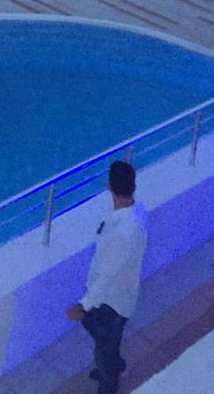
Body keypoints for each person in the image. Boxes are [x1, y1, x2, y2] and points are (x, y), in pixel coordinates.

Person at [67, 160, 147, 394]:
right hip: (119, 296)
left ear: (110, 186)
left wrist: (83, 305)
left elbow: (108, 276)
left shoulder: (124, 231)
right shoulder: (134, 214)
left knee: (103, 348)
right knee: (110, 340)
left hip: (111, 301)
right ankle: (114, 364)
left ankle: (108, 381)